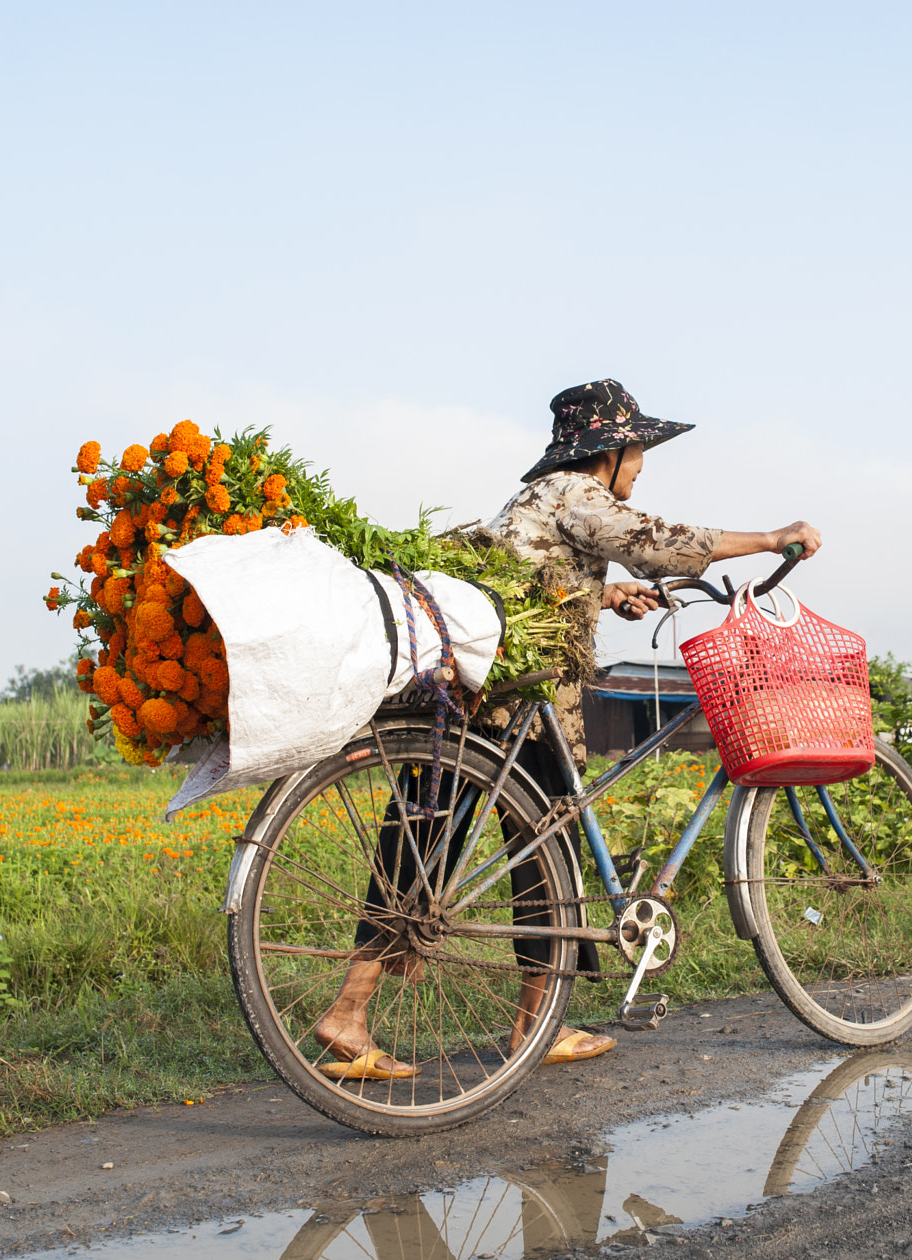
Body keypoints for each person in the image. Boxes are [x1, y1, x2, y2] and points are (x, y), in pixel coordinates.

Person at [311, 379, 821, 1075]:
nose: (641, 466)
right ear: (607, 453)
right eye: (638, 451)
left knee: (424, 846)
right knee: (546, 855)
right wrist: (769, 538)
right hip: (521, 707)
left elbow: (532, 573)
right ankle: (532, 1027)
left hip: (474, 700)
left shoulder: (538, 501)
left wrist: (604, 593)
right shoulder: (580, 495)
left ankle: (351, 1011)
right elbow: (654, 541)